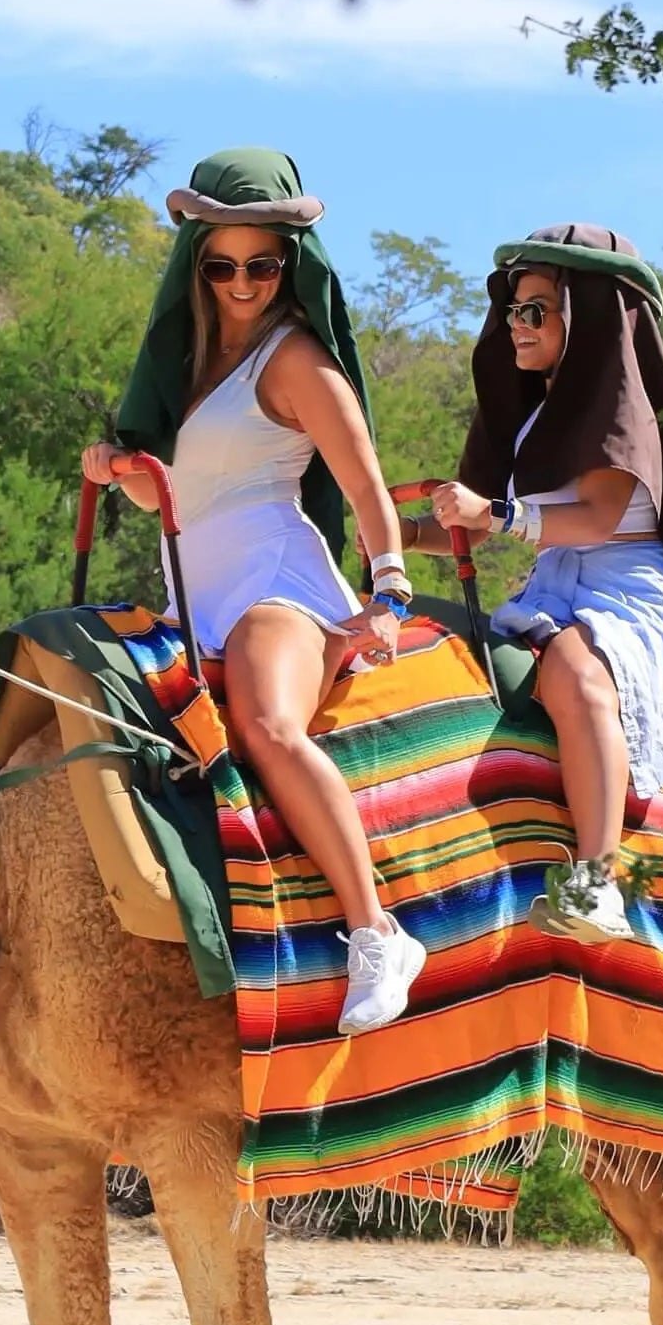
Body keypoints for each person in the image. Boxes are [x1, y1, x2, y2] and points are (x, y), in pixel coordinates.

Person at [87, 148, 425, 1036]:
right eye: (223, 264)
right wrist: (115, 467)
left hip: (278, 584)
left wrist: (387, 596)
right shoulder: (189, 363)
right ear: (197, 265)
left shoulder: (297, 361)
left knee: (268, 723)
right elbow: (172, 492)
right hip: (191, 593)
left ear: (291, 266)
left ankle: (376, 932)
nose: (243, 283)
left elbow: (365, 488)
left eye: (264, 265)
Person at [417, 224, 663, 944]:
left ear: (588, 317)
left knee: (577, 673)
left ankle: (597, 883)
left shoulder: (621, 409)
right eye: (513, 311)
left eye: (536, 310)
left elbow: (600, 518)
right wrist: (396, 538)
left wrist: (501, 513)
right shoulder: (527, 413)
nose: (517, 325)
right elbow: (478, 526)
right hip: (552, 589)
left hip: (628, 595)